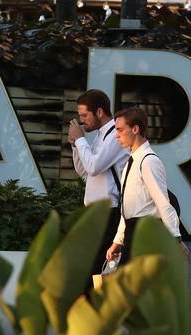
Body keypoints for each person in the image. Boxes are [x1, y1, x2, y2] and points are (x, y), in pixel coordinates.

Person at [106, 107, 189, 264]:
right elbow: (128, 208)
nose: (116, 135)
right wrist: (118, 241)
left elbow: (163, 203)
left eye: (120, 130)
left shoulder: (149, 161)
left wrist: (176, 239)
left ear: (135, 129)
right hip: (133, 233)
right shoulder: (133, 160)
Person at [67, 89, 129, 278]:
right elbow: (83, 170)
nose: (83, 120)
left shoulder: (115, 136)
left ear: (99, 112)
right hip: (95, 213)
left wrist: (80, 140)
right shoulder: (101, 135)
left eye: (85, 115)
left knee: (98, 269)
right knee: (90, 269)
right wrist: (75, 145)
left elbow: (93, 167)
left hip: (109, 212)